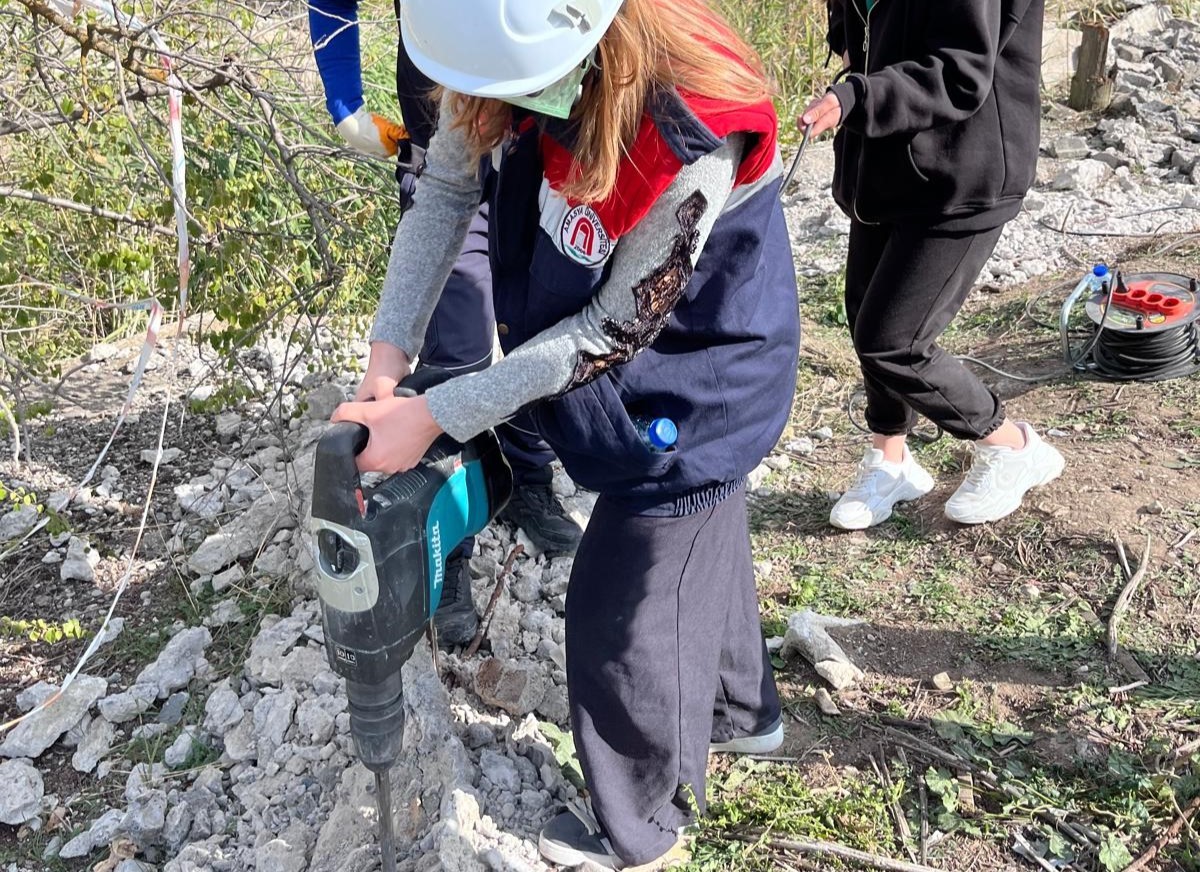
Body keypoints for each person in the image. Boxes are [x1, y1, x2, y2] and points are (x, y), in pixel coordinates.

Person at [330, 0, 801, 866]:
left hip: (701, 371)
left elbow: (608, 332)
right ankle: (744, 715)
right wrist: (383, 367)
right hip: (613, 361)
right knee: (701, 535)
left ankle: (642, 830)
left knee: (625, 608)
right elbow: (441, 193)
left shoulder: (685, 123)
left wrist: (435, 415)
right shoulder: (489, 44)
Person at [306, 0, 584, 646]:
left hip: (553, 88)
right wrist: (343, 95)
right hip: (445, 98)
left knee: (541, 303)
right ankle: (445, 538)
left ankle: (526, 475)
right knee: (453, 331)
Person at [803, 0, 1064, 529]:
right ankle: (890, 459)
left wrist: (858, 95)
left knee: (894, 340)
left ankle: (1012, 447)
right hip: (883, 162)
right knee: (864, 317)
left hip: (963, 168)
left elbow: (961, 71)